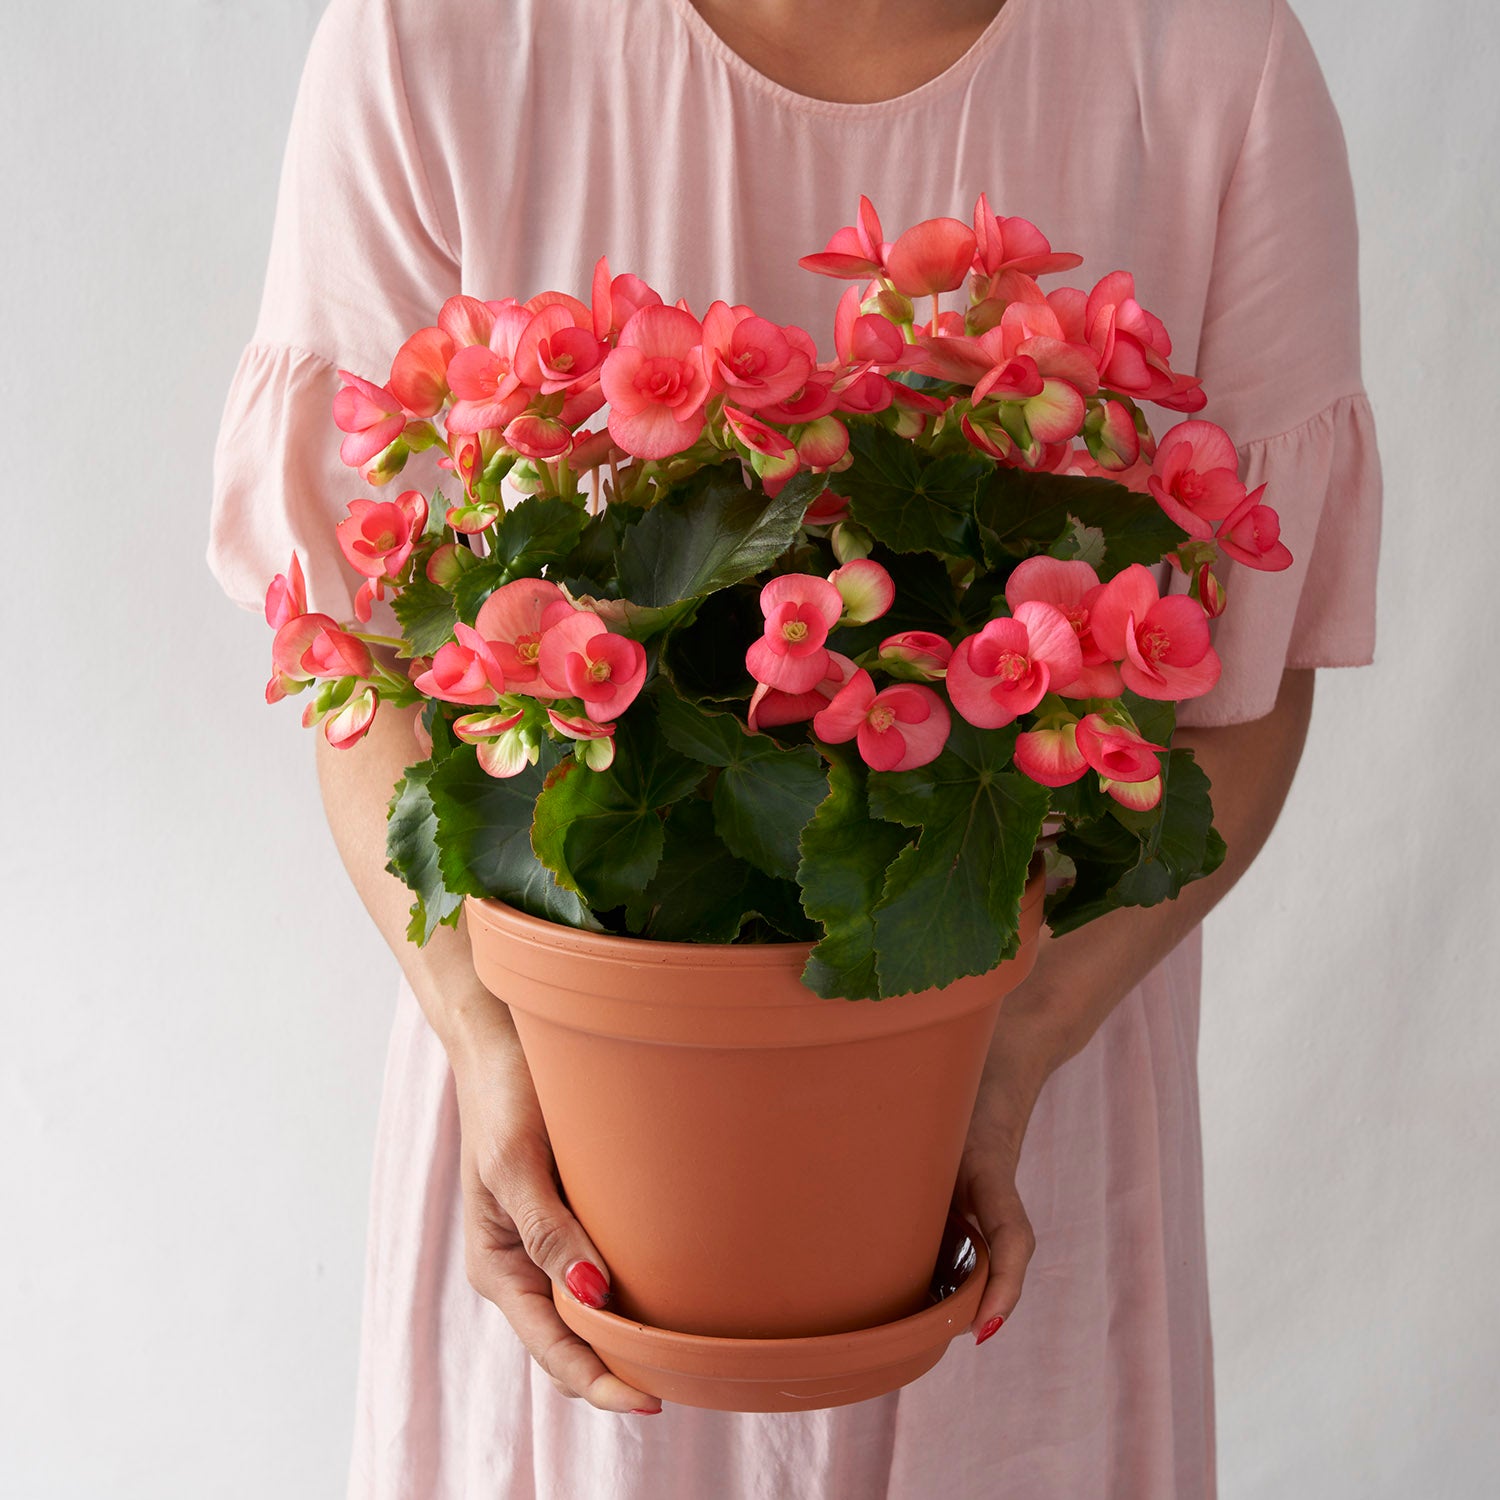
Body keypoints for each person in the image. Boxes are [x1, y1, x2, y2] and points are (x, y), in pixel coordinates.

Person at [208, 0, 1382, 1493]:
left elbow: (1251, 683)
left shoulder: (1213, 57)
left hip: (1006, 1133)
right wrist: (489, 1047)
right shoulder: (432, 36)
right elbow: (359, 654)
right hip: (576, 1154)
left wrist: (1014, 1047)